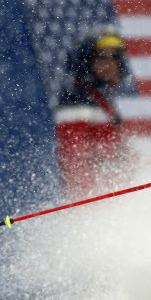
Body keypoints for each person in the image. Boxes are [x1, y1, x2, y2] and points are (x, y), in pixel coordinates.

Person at [55, 28, 131, 197]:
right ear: (87, 60)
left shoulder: (103, 97)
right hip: (94, 201)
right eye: (102, 56)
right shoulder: (76, 99)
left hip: (115, 196)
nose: (111, 62)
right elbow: (73, 159)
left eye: (116, 56)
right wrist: (89, 199)